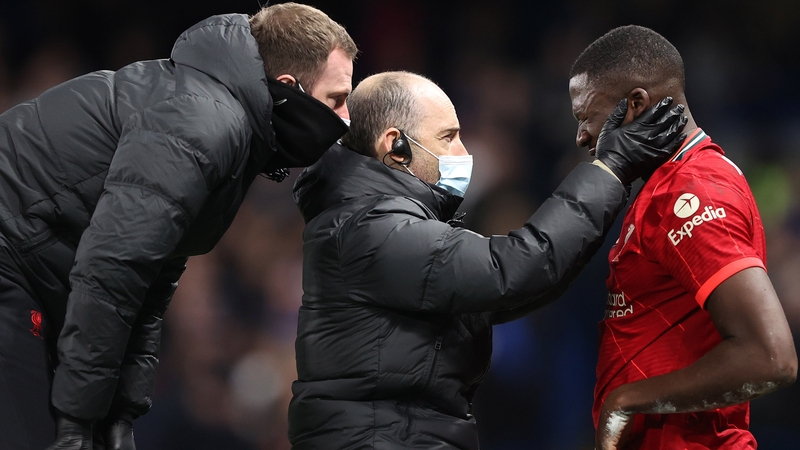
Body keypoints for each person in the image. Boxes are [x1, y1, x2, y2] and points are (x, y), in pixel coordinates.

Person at [0, 3, 357, 449]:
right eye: (337, 99)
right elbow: (115, 267)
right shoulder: (205, 121)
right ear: (290, 88)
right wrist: (78, 419)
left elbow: (149, 279)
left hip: (32, 263)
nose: (345, 120)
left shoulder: (232, 125)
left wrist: (119, 412)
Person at [288, 70, 686, 449]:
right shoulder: (374, 229)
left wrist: (610, 184)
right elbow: (512, 269)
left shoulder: (373, 222)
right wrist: (609, 169)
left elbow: (529, 282)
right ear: (396, 146)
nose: (464, 153)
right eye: (448, 138)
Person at [567, 25, 798, 450]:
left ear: (635, 104)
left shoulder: (690, 191)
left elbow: (770, 357)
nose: (581, 136)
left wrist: (626, 400)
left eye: (586, 117)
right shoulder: (666, 183)